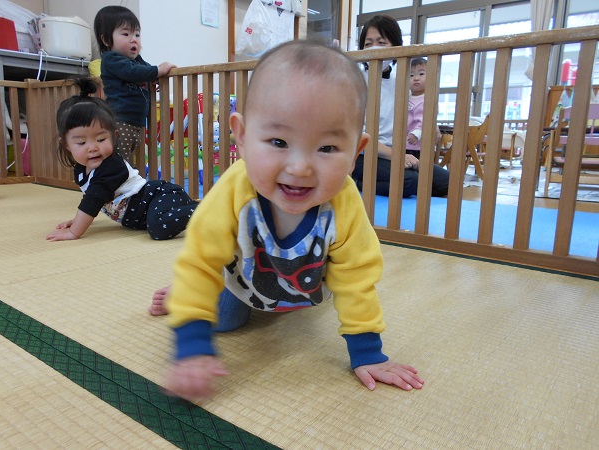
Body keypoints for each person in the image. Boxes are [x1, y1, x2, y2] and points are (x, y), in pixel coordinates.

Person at [152, 40, 424, 400]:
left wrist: (368, 353)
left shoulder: (344, 202)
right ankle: (181, 295)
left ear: (355, 153)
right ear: (242, 137)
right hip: (242, 281)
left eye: (326, 148)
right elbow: (200, 260)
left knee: (309, 306)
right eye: (279, 141)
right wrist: (191, 347)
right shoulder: (234, 191)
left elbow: (357, 276)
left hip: (305, 289)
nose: (299, 168)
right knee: (225, 320)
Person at [46, 78, 198, 242]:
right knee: (155, 224)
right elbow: (91, 202)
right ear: (67, 145)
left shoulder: (111, 167)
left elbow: (92, 201)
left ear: (114, 136)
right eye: (81, 143)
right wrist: (77, 221)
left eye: (101, 139)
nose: (92, 148)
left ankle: (205, 209)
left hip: (160, 196)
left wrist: (74, 232)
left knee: (158, 228)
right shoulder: (81, 171)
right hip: (152, 209)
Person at [351, 15, 449, 198]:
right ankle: (358, 182)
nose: (374, 49)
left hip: (393, 153)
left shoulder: (402, 81)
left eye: (382, 43)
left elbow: (414, 109)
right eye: (368, 44)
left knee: (446, 181)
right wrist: (395, 156)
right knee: (410, 180)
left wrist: (431, 123)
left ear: (396, 46)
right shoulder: (355, 79)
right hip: (362, 154)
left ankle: (376, 182)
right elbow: (355, 135)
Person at [93, 5, 177, 166]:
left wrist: (154, 78)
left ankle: (117, 178)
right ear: (106, 40)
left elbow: (144, 71)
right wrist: (158, 70)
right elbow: (132, 72)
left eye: (137, 34)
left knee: (123, 160)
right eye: (126, 34)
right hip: (120, 120)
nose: (134, 39)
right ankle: (107, 180)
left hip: (136, 122)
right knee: (115, 161)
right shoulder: (111, 59)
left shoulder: (137, 60)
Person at [406, 57, 442, 156]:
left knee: (419, 163)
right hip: (404, 143)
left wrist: (417, 133)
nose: (416, 78)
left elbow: (427, 119)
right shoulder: (406, 98)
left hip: (419, 143)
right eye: (411, 75)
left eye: (421, 74)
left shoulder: (428, 99)